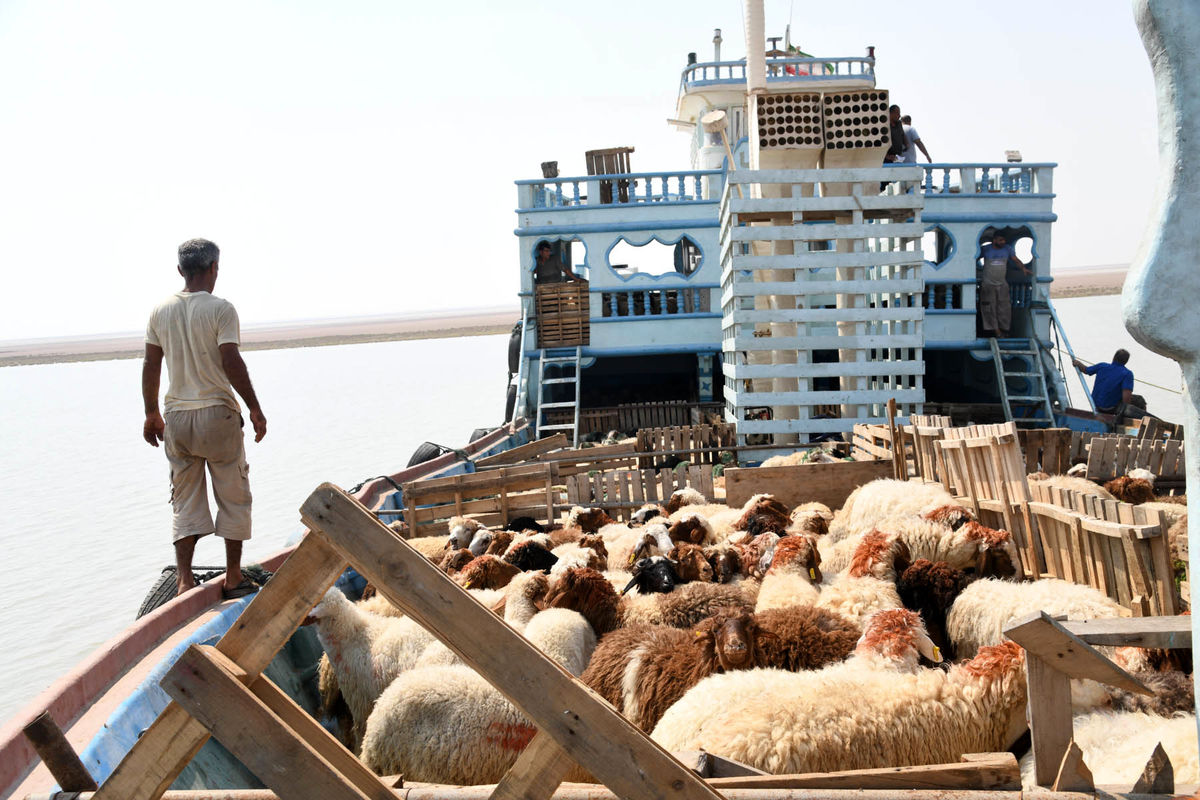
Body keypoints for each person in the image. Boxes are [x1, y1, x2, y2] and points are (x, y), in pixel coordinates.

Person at [142, 238, 267, 598]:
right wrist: (254, 408)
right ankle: (232, 577)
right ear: (214, 268)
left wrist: (151, 412)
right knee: (233, 493)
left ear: (181, 270)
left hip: (177, 418)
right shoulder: (221, 309)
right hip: (217, 414)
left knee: (184, 499)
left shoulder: (159, 311)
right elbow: (231, 360)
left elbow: (152, 364)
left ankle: (183, 581)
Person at [977, 231, 1032, 338]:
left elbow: (1015, 260)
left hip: (1002, 284)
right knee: (989, 308)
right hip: (988, 284)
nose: (1003, 242)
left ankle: (1004, 330)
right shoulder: (986, 249)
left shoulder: (1007, 249)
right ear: (995, 240)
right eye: (1001, 240)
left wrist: (1023, 268)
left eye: (1004, 240)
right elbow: (973, 258)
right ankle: (996, 331)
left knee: (1004, 308)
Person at [1072, 349, 1144, 419]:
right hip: (1111, 408)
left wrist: (1077, 363)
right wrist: (1124, 413)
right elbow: (1126, 397)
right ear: (1126, 361)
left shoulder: (1102, 366)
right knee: (1138, 400)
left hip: (1095, 405)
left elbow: (1085, 370)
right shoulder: (1127, 373)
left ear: (1114, 357)